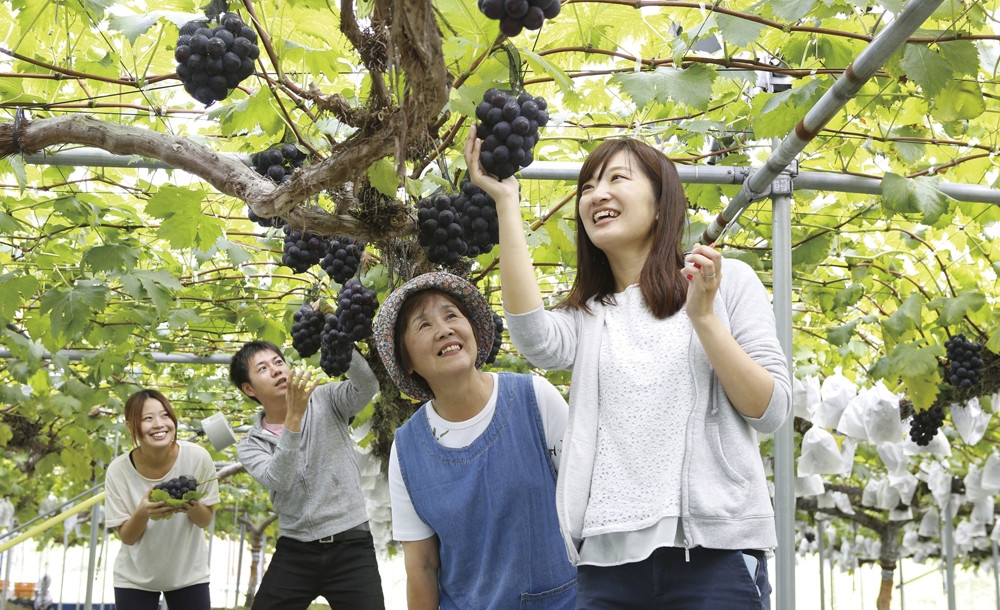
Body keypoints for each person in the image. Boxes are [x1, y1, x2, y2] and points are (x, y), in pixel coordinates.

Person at [465, 130, 792, 609]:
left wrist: (703, 317)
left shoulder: (726, 283)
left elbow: (770, 409)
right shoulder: (591, 315)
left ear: (661, 206)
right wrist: (506, 203)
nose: (598, 193)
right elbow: (533, 337)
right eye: (588, 186)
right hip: (608, 564)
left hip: (712, 553)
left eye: (618, 178)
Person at [373, 271, 577, 609]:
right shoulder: (407, 450)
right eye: (423, 325)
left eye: (451, 315)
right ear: (406, 361)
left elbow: (588, 505)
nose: (444, 329)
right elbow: (421, 566)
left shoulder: (535, 399)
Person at [230, 340, 385, 610]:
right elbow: (279, 479)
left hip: (351, 545)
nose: (277, 370)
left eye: (279, 362)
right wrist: (294, 418)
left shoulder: (326, 399)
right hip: (295, 550)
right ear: (249, 388)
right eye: (263, 368)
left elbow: (367, 385)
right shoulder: (251, 445)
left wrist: (333, 334)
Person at [104, 388, 220, 610]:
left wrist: (190, 506)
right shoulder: (118, 470)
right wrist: (143, 511)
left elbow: (205, 520)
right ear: (131, 427)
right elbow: (127, 538)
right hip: (134, 579)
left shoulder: (197, 457)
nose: (159, 424)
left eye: (165, 415)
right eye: (148, 418)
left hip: (189, 576)